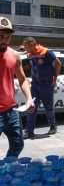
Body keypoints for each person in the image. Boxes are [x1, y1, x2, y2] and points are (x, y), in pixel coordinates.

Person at [0, 17, 34, 157]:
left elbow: (23, 79)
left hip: (11, 111)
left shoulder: (15, 55)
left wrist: (29, 98)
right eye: (1, 37)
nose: (4, 41)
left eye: (7, 37)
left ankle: (6, 170)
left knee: (18, 144)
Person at [23, 37, 61, 139]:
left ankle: (53, 126)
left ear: (31, 44)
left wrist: (54, 79)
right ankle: (29, 131)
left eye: (26, 46)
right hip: (35, 85)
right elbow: (32, 67)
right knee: (31, 108)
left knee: (48, 108)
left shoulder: (46, 52)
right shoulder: (29, 54)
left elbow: (58, 64)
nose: (25, 48)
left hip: (47, 85)